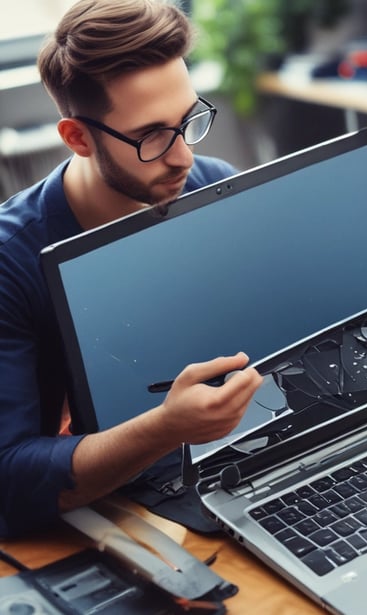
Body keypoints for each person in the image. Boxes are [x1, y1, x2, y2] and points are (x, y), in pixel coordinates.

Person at [0, 0, 263, 538]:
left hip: (239, 462)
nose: (183, 159)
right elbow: (9, 478)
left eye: (188, 121)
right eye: (150, 136)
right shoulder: (11, 262)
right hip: (106, 516)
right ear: (77, 138)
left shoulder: (216, 185)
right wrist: (166, 429)